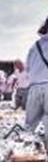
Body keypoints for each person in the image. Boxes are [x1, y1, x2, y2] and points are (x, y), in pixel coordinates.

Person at [24, 16, 48, 144]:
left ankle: (25, 154)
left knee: (29, 125)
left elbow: (27, 68)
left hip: (34, 88)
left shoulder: (35, 46)